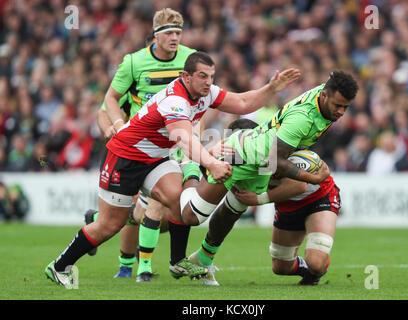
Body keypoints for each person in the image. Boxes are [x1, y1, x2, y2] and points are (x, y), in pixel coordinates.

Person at [44, 51, 301, 286]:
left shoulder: (205, 93)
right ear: (185, 76)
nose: (208, 82)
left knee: (178, 200)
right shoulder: (175, 101)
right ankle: (59, 266)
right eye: (202, 76)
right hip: (125, 157)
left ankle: (177, 262)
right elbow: (184, 140)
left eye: (211, 76)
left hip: (155, 157)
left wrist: (271, 88)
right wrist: (211, 163)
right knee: (110, 225)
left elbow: (243, 102)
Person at [184, 70, 359, 285]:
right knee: (193, 216)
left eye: (345, 107)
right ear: (324, 95)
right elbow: (277, 164)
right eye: (338, 106)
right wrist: (312, 178)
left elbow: (279, 167)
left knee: (315, 262)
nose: (341, 112)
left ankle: (201, 257)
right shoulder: (301, 120)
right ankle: (188, 168)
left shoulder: (326, 99)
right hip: (260, 166)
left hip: (294, 181)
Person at [82, 8, 196, 281]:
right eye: (169, 33)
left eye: (178, 33)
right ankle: (134, 268)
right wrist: (117, 128)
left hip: (176, 142)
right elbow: (106, 105)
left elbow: (203, 92)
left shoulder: (190, 59)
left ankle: (99, 223)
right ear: (155, 37)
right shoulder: (133, 64)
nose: (175, 38)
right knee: (141, 210)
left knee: (168, 213)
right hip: (139, 146)